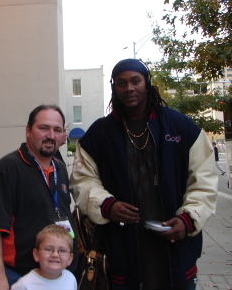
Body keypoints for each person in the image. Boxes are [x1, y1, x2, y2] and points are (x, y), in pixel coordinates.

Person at [70, 59, 218, 290]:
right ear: (114, 87)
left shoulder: (181, 127)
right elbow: (83, 180)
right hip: (123, 250)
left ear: (147, 83)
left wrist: (188, 219)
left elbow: (203, 180)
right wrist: (107, 205)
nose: (129, 88)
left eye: (135, 81)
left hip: (174, 249)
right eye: (121, 83)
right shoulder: (99, 134)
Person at [0, 105, 77, 290]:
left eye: (57, 130)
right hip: (20, 277)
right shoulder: (6, 170)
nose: (51, 135)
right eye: (43, 128)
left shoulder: (59, 168)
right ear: (28, 131)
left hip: (57, 275)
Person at [11, 224, 77, 290]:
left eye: (62, 250)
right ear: (36, 254)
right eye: (48, 249)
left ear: (70, 258)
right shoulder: (24, 285)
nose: (55, 255)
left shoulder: (70, 279)